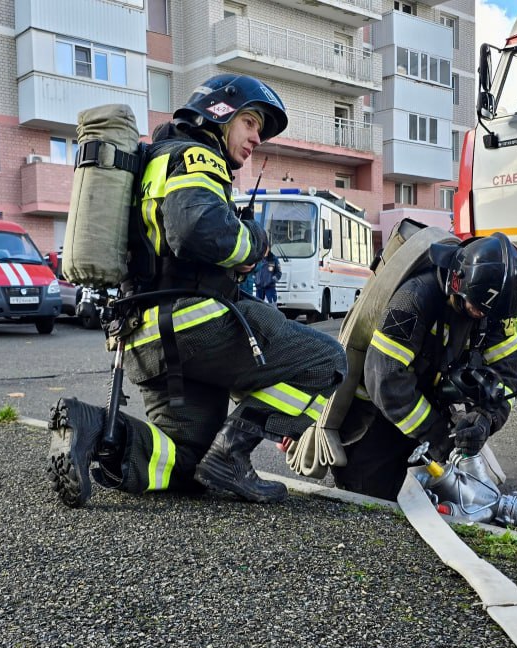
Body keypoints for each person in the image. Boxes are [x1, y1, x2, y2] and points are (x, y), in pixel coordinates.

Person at [51, 74, 346, 505]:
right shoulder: (196, 157)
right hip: (192, 322)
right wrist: (255, 242)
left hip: (144, 337)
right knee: (326, 360)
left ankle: (92, 429)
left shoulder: (159, 160)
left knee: (186, 460)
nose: (256, 137)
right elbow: (197, 230)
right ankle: (233, 455)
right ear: (219, 114)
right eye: (250, 122)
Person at [329, 233, 517, 500]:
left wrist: (485, 419)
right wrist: (439, 437)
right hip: (376, 414)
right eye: (478, 311)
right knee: (371, 496)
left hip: (426, 402)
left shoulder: (492, 309)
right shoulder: (413, 300)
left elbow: (507, 375)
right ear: (457, 282)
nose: (484, 318)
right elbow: (385, 382)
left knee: (439, 494)